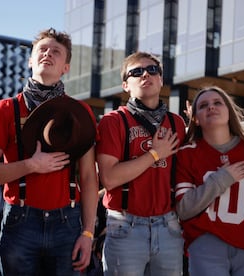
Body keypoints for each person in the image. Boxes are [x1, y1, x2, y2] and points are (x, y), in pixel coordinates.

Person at [0, 28, 98, 275]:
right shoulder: (6, 109)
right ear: (30, 60)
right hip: (20, 221)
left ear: (66, 66)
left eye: (56, 51)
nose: (48, 54)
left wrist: (88, 233)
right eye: (42, 50)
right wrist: (31, 165)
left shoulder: (80, 112)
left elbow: (88, 177)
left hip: (68, 222)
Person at [96, 51, 186, 275]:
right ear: (126, 85)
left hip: (169, 226)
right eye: (136, 72)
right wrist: (155, 154)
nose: (146, 74)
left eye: (152, 70)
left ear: (161, 79)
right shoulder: (113, 121)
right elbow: (109, 178)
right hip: (126, 226)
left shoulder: (176, 123)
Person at [175, 86, 244, 276]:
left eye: (217, 103)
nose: (211, 107)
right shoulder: (186, 154)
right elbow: (183, 208)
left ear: (229, 112)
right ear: (195, 118)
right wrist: (222, 179)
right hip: (205, 244)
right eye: (203, 105)